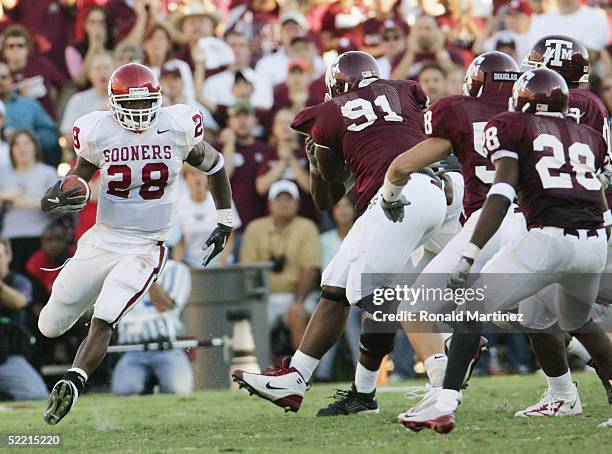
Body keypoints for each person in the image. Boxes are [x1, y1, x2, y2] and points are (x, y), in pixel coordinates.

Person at [232, 51, 452, 414]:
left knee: (370, 293)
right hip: (428, 191)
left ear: (337, 86)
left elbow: (325, 196)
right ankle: (297, 378)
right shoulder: (405, 89)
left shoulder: (330, 111)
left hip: (397, 196)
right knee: (335, 284)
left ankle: (447, 364)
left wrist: (318, 157)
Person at [398, 68, 612, 433]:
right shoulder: (589, 136)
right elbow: (600, 199)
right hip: (593, 242)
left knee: (471, 307)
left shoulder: (513, 126)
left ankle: (444, 403)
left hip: (549, 239)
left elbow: (500, 195)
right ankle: (568, 394)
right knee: (578, 321)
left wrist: (470, 252)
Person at [37, 62, 233, 425]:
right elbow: (69, 186)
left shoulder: (176, 128)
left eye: (147, 105)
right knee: (49, 325)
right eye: (132, 105)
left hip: (145, 246)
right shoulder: (97, 131)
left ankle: (73, 380)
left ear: (159, 100)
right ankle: (76, 346)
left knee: (107, 315)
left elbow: (216, 164)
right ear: (113, 103)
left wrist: (224, 218)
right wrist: (57, 198)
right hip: (102, 240)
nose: (140, 114)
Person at [240, 180, 320, 352]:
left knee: (296, 313)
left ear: (297, 203)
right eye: (279, 199)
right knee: (253, 318)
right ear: (270, 203)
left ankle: (301, 372)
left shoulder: (307, 227)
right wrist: (256, 301)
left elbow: (310, 268)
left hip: (298, 296)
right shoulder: (255, 228)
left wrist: (298, 301)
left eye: (288, 199)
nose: (283, 203)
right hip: (264, 297)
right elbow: (248, 270)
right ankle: (260, 370)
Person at [111, 259, 193, 396]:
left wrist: (148, 274)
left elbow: (164, 306)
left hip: (166, 347)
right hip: (132, 349)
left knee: (179, 391)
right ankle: (145, 386)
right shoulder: (121, 270)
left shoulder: (176, 269)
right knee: (123, 391)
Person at [314, 197, 361, 382]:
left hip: (360, 296)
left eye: (347, 206)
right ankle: (324, 373)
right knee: (334, 312)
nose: (342, 210)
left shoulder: (362, 235)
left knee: (341, 314)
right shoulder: (324, 240)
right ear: (332, 212)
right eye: (338, 206)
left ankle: (357, 371)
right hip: (330, 294)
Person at [0, 130, 58, 274]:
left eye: (26, 143)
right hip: (10, 240)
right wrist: (3, 196)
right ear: (11, 149)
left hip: (41, 238)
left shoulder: (48, 173)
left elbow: (60, 206)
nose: (22, 148)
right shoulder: (3, 174)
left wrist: (31, 202)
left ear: (35, 147)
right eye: (17, 144)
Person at [0, 237, 48, 401]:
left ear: (8, 256)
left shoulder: (20, 282)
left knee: (36, 394)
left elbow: (19, 301)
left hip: (6, 358)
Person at [216, 101, 274, 230]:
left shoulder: (266, 150)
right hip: (225, 225)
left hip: (259, 224)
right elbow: (224, 175)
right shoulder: (218, 148)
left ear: (255, 120)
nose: (242, 121)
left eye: (246, 116)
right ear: (229, 122)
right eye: (237, 117)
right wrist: (230, 144)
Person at [175, 165, 241, 268]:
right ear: (185, 178)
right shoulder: (179, 205)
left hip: (220, 266)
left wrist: (222, 261)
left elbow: (230, 236)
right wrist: (178, 266)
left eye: (201, 173)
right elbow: (179, 243)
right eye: (192, 173)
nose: (197, 178)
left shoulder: (223, 200)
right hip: (191, 267)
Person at [1, 24, 66, 119]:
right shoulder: (2, 71)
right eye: (11, 46)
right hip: (12, 121)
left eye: (20, 45)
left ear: (28, 48)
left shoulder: (41, 65)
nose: (16, 50)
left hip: (43, 120)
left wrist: (56, 106)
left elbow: (62, 85)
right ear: (4, 50)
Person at [0, 62, 59, 163]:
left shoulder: (29, 105)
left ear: (11, 79)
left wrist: (27, 138)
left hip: (29, 167)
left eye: (3, 77)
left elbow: (51, 134)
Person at [202, 31, 273, 110]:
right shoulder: (212, 83)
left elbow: (263, 110)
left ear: (249, 51)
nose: (237, 50)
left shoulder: (262, 81)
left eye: (242, 46)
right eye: (232, 46)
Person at [60, 51, 114, 145]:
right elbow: (68, 136)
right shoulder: (78, 100)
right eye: (98, 69)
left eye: (107, 68)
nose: (103, 73)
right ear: (90, 74)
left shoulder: (124, 99)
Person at [391, 15, 466, 80]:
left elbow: (458, 83)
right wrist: (411, 53)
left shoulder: (453, 55)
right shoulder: (400, 57)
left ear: (437, 31)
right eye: (419, 28)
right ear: (412, 31)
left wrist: (440, 51)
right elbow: (394, 84)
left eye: (428, 28)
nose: (423, 34)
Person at [65, 5, 115, 87]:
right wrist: (93, 47)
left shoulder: (113, 44)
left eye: (101, 22)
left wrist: (102, 47)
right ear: (85, 25)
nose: (97, 26)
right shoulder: (73, 49)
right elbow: (80, 80)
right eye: (92, 22)